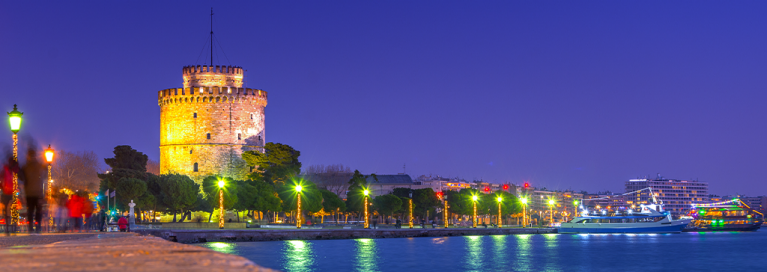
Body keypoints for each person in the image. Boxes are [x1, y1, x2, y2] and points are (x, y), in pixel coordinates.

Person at [22, 147, 45, 234]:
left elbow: (22, 177)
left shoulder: (26, 167)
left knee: (31, 210)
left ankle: (31, 227)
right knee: (37, 210)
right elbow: (42, 179)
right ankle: (37, 227)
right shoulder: (39, 166)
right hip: (37, 192)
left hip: (29, 192)